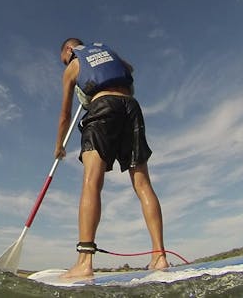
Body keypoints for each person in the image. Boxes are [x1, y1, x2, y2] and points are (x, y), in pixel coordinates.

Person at [55, 38, 169, 278]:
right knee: (142, 183)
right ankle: (159, 256)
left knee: (92, 182)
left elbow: (65, 114)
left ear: (69, 50)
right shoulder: (109, 52)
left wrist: (59, 146)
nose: (65, 64)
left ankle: (84, 262)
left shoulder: (74, 66)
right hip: (131, 107)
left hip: (103, 108)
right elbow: (129, 69)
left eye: (64, 60)